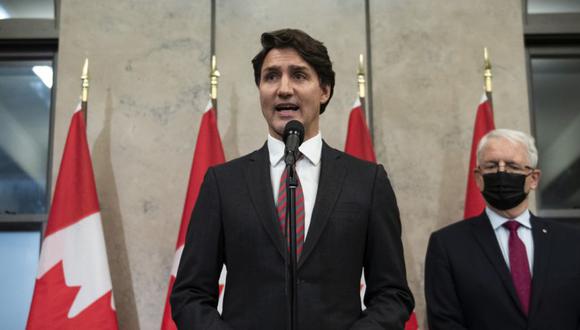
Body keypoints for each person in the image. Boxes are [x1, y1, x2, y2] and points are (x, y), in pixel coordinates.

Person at [171, 28, 414, 330]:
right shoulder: (223, 183)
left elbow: (392, 295)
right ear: (259, 89)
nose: (283, 89)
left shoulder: (367, 181)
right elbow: (189, 295)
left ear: (324, 90)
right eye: (271, 76)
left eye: (299, 75)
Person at [425, 128, 580, 329]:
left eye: (512, 166)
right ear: (478, 178)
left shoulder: (572, 242)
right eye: (491, 166)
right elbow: (445, 322)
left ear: (533, 179)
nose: (501, 172)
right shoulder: (447, 245)